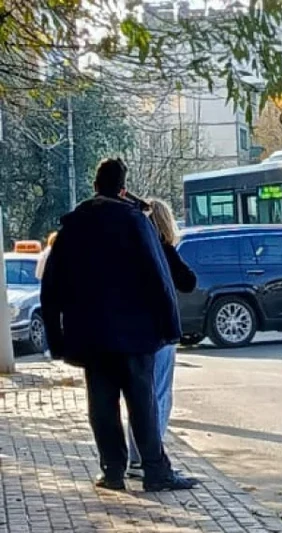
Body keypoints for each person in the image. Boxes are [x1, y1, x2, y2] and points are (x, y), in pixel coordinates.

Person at [40, 158, 197, 492]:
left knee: (102, 405)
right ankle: (155, 471)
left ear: (95, 186)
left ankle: (112, 471)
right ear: (123, 189)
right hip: (136, 335)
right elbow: (160, 279)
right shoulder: (135, 223)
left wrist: (57, 339)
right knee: (143, 404)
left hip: (90, 335)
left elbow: (51, 287)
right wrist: (169, 328)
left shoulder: (73, 228)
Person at [126, 198, 197, 479]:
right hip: (161, 332)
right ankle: (151, 457)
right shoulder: (164, 250)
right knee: (159, 395)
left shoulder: (131, 250)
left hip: (135, 333)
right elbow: (188, 281)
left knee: (138, 395)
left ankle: (135, 458)